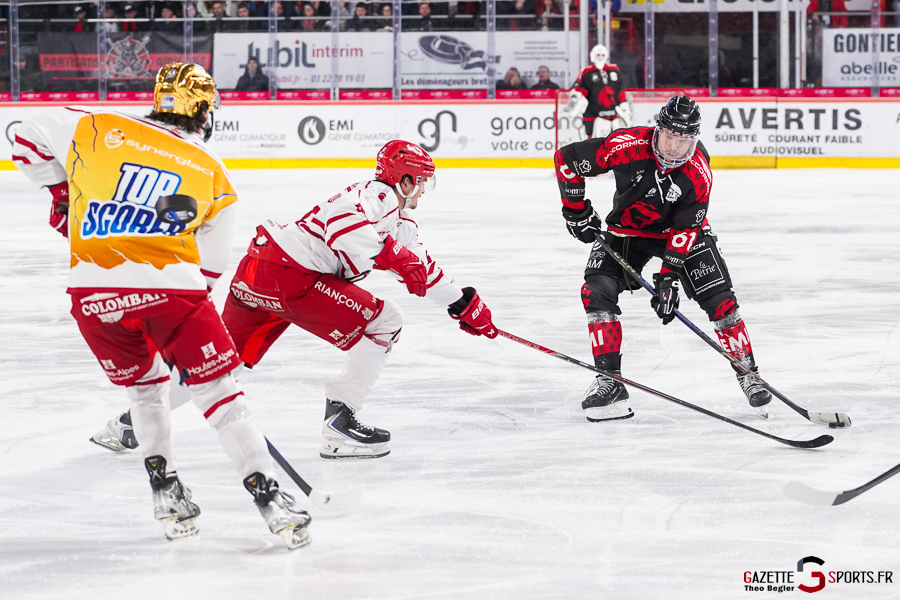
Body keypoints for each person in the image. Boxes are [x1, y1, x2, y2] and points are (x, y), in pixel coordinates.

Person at [11, 63, 311, 550]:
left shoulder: (96, 125)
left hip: (92, 295)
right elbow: (209, 271)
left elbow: (24, 137)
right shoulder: (212, 170)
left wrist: (63, 194)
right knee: (223, 399)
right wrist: (170, 320)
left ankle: (167, 495)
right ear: (204, 112)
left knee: (146, 395)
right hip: (173, 295)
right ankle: (271, 500)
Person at [221, 140, 498, 459]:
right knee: (386, 321)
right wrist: (389, 254)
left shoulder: (398, 219)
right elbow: (342, 226)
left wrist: (462, 303)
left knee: (214, 365)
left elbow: (420, 268)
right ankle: (340, 421)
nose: (423, 190)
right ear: (405, 180)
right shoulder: (378, 195)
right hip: (291, 277)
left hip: (257, 271)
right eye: (421, 181)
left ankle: (165, 411)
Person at [553, 95, 772, 422]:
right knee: (596, 290)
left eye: (683, 140)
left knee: (720, 300)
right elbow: (567, 159)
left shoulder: (698, 173)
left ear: (694, 140)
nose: (673, 147)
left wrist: (668, 276)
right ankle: (610, 380)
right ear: (658, 130)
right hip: (629, 230)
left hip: (680, 234)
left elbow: (686, 229)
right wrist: (576, 211)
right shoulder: (626, 145)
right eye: (669, 136)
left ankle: (748, 373)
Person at [563, 44, 634, 139]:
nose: (600, 57)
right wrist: (573, 107)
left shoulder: (614, 70)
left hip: (613, 116)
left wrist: (624, 107)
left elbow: (620, 91)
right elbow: (579, 91)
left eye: (602, 55)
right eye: (598, 55)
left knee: (615, 141)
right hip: (593, 116)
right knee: (593, 143)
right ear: (593, 56)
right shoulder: (587, 71)